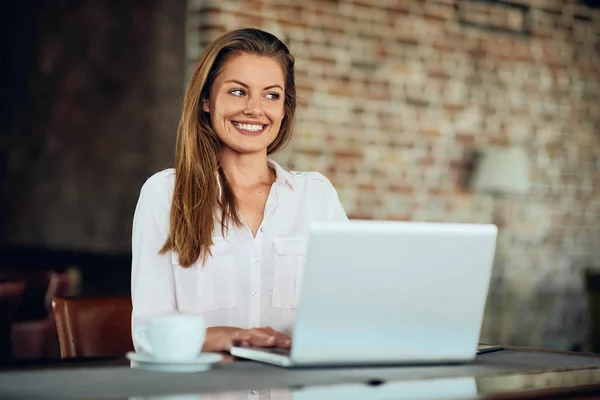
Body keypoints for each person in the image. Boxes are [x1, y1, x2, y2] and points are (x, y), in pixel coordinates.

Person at [131, 28, 347, 354]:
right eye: (237, 91)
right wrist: (229, 337)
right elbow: (148, 334)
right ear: (206, 100)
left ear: (285, 109)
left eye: (271, 95)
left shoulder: (317, 197)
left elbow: (347, 315)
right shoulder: (164, 194)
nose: (254, 109)